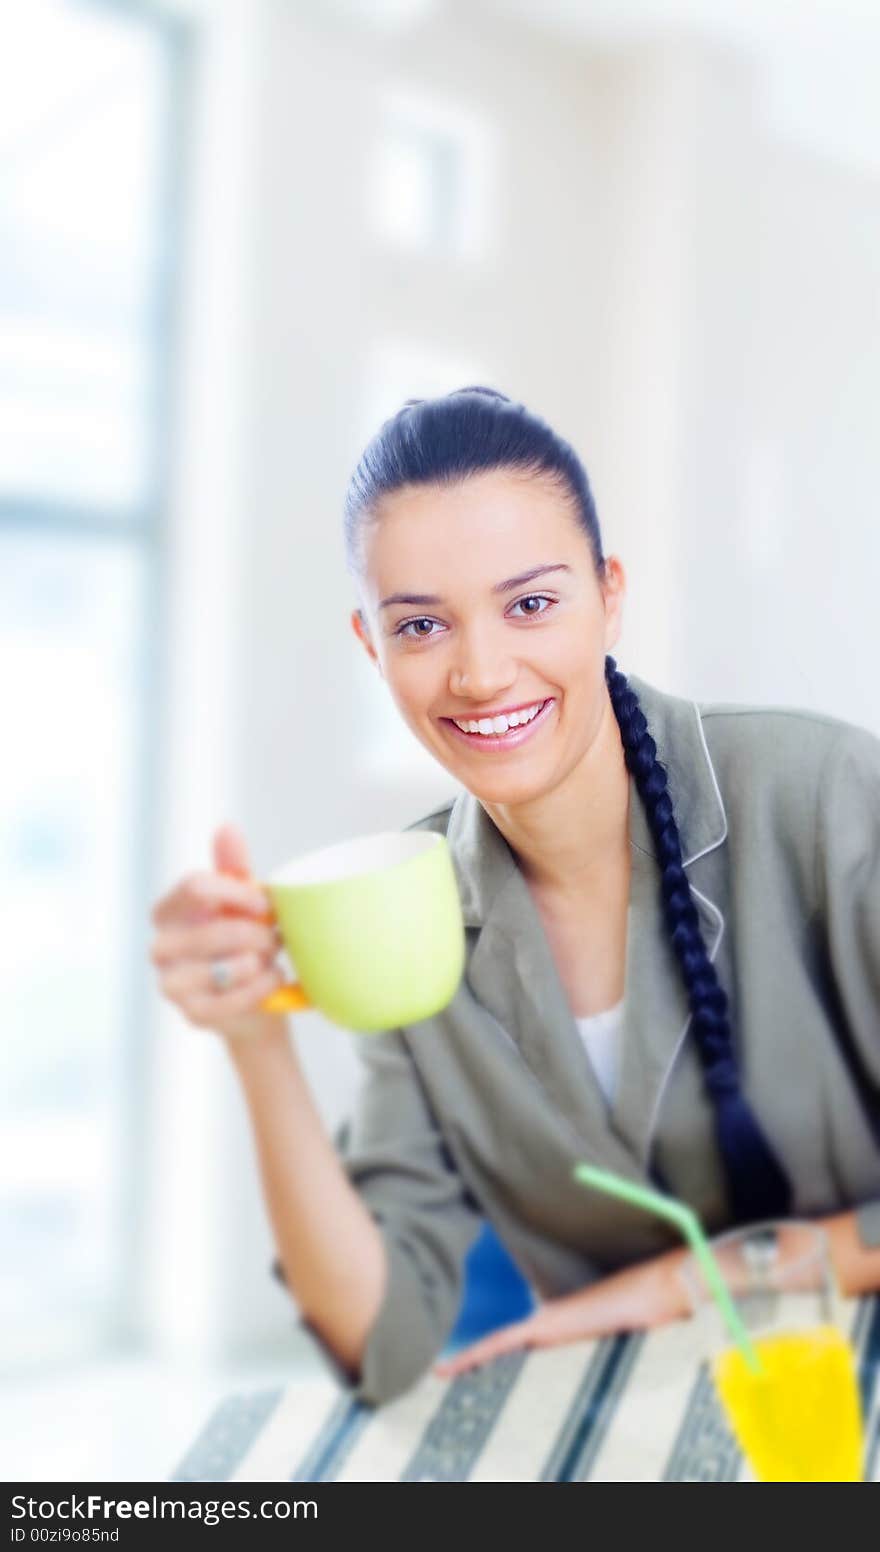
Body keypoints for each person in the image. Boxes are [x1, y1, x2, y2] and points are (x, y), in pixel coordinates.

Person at [149, 387, 880, 1408]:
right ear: (372, 644)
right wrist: (254, 1039)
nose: (481, 673)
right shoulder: (398, 910)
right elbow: (382, 1339)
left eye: (530, 603)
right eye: (420, 626)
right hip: (631, 1441)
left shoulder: (821, 797)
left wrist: (678, 1285)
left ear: (608, 594)